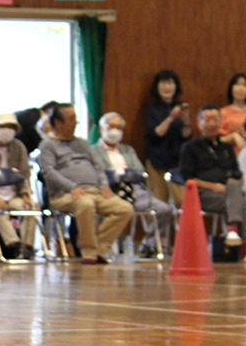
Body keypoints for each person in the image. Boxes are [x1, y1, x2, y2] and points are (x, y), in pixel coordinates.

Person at [38, 103, 134, 264]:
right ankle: (89, 252)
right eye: (71, 119)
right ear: (58, 122)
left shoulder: (82, 143)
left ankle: (99, 249)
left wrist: (104, 185)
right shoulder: (47, 146)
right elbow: (49, 172)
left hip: (94, 191)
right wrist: (71, 187)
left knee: (124, 208)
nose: (76, 122)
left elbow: (97, 167)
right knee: (86, 204)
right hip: (65, 194)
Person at [92, 112, 173, 257]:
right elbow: (98, 173)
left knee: (164, 209)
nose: (115, 130)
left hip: (134, 190)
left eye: (119, 127)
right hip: (109, 191)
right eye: (111, 126)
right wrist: (119, 174)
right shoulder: (93, 151)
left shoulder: (127, 150)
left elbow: (139, 171)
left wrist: (123, 174)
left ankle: (148, 245)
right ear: (101, 128)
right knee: (112, 210)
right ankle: (106, 249)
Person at [180, 106, 246, 247]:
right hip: (203, 194)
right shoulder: (190, 148)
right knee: (240, 203)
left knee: (235, 191)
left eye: (215, 119)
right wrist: (212, 186)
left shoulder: (226, 148)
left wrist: (232, 184)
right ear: (199, 124)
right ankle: (238, 239)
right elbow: (187, 178)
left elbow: (237, 174)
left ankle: (234, 235)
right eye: (207, 119)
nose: (212, 123)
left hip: (228, 193)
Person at [0, 113, 37, 259]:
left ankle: (27, 245)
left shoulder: (19, 147)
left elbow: (25, 173)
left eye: (11, 127)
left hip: (14, 194)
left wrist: (26, 195)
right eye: (4, 127)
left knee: (32, 207)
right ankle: (13, 242)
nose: (7, 130)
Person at [144, 70, 192, 204]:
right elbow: (156, 134)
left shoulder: (180, 107)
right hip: (156, 160)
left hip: (176, 161)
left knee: (181, 200)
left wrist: (186, 121)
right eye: (163, 83)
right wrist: (171, 117)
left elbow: (186, 136)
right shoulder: (152, 108)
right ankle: (158, 226)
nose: (167, 87)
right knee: (159, 200)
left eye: (171, 83)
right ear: (157, 87)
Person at [219, 73, 246, 153]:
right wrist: (233, 136)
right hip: (229, 156)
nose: (241, 88)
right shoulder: (222, 113)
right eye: (237, 84)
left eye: (244, 85)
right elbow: (215, 140)